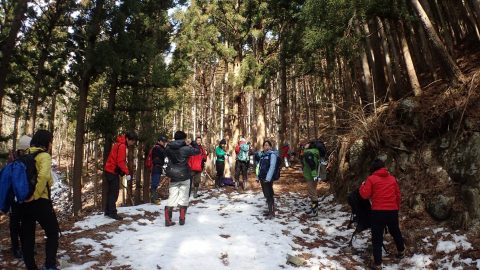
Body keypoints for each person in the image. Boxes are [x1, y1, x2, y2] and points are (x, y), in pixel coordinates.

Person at [19, 130, 60, 270]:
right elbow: (43, 177)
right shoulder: (44, 156)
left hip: (23, 202)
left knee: (27, 236)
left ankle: (31, 267)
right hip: (40, 201)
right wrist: (35, 195)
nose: (51, 144)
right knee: (53, 232)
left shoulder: (26, 155)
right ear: (46, 142)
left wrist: (28, 197)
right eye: (50, 141)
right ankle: (50, 266)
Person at [359, 159, 405, 269]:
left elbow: (365, 195)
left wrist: (362, 186)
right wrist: (396, 208)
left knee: (377, 237)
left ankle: (378, 263)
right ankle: (401, 251)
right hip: (392, 211)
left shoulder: (371, 179)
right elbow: (398, 195)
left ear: (373, 168)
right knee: (395, 231)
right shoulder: (392, 179)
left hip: (378, 212)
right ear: (383, 167)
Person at [164, 131, 200, 226]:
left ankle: (168, 220)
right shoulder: (186, 149)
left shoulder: (168, 148)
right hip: (185, 175)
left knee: (172, 197)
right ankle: (182, 218)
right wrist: (193, 142)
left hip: (173, 176)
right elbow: (197, 151)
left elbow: (165, 152)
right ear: (183, 138)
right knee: (184, 197)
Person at [7, 135, 32, 259]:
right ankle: (16, 248)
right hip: (17, 198)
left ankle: (22, 247)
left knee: (20, 223)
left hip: (21, 197)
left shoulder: (18, 159)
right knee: (16, 224)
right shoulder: (16, 160)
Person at [104, 131, 138, 220]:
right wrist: (127, 172)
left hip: (109, 170)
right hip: (111, 171)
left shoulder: (119, 143)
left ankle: (107, 211)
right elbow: (120, 162)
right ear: (128, 139)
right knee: (114, 193)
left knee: (111, 192)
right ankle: (112, 212)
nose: (132, 143)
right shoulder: (122, 146)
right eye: (132, 141)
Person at [257, 141, 279, 219]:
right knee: (266, 194)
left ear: (270, 146)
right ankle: (270, 211)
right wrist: (258, 177)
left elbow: (272, 167)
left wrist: (268, 178)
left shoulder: (272, 155)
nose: (266, 146)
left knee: (269, 194)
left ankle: (272, 212)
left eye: (267, 145)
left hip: (268, 178)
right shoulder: (263, 155)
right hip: (262, 178)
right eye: (264, 145)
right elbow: (259, 167)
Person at [302, 141, 320, 217]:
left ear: (310, 145)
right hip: (311, 175)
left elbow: (312, 164)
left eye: (306, 144)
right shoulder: (313, 152)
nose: (304, 145)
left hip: (311, 176)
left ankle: (315, 211)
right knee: (312, 192)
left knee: (312, 193)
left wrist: (314, 175)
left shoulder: (309, 153)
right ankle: (313, 208)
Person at [150, 135, 168, 204]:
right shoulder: (157, 148)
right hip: (156, 167)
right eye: (162, 141)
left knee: (156, 182)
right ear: (158, 141)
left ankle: (154, 198)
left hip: (158, 167)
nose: (164, 143)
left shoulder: (160, 148)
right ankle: (154, 199)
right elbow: (163, 154)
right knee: (155, 183)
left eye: (164, 141)